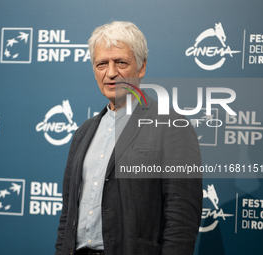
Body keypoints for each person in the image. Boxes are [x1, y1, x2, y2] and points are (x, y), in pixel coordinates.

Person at [55, 21, 202, 255]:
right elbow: (67, 215)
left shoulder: (172, 126)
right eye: (102, 63)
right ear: (94, 70)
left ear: (141, 67)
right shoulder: (83, 132)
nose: (111, 73)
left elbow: (181, 221)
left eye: (121, 62)